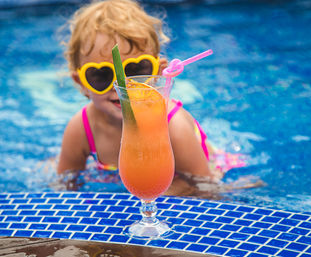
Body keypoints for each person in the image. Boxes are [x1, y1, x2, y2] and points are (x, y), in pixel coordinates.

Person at [57, 0, 224, 195]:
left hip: (205, 167)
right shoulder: (82, 128)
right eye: (101, 75)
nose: (122, 86)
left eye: (137, 70)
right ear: (81, 83)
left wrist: (143, 196)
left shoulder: (173, 126)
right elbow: (64, 187)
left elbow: (204, 188)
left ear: (158, 73)